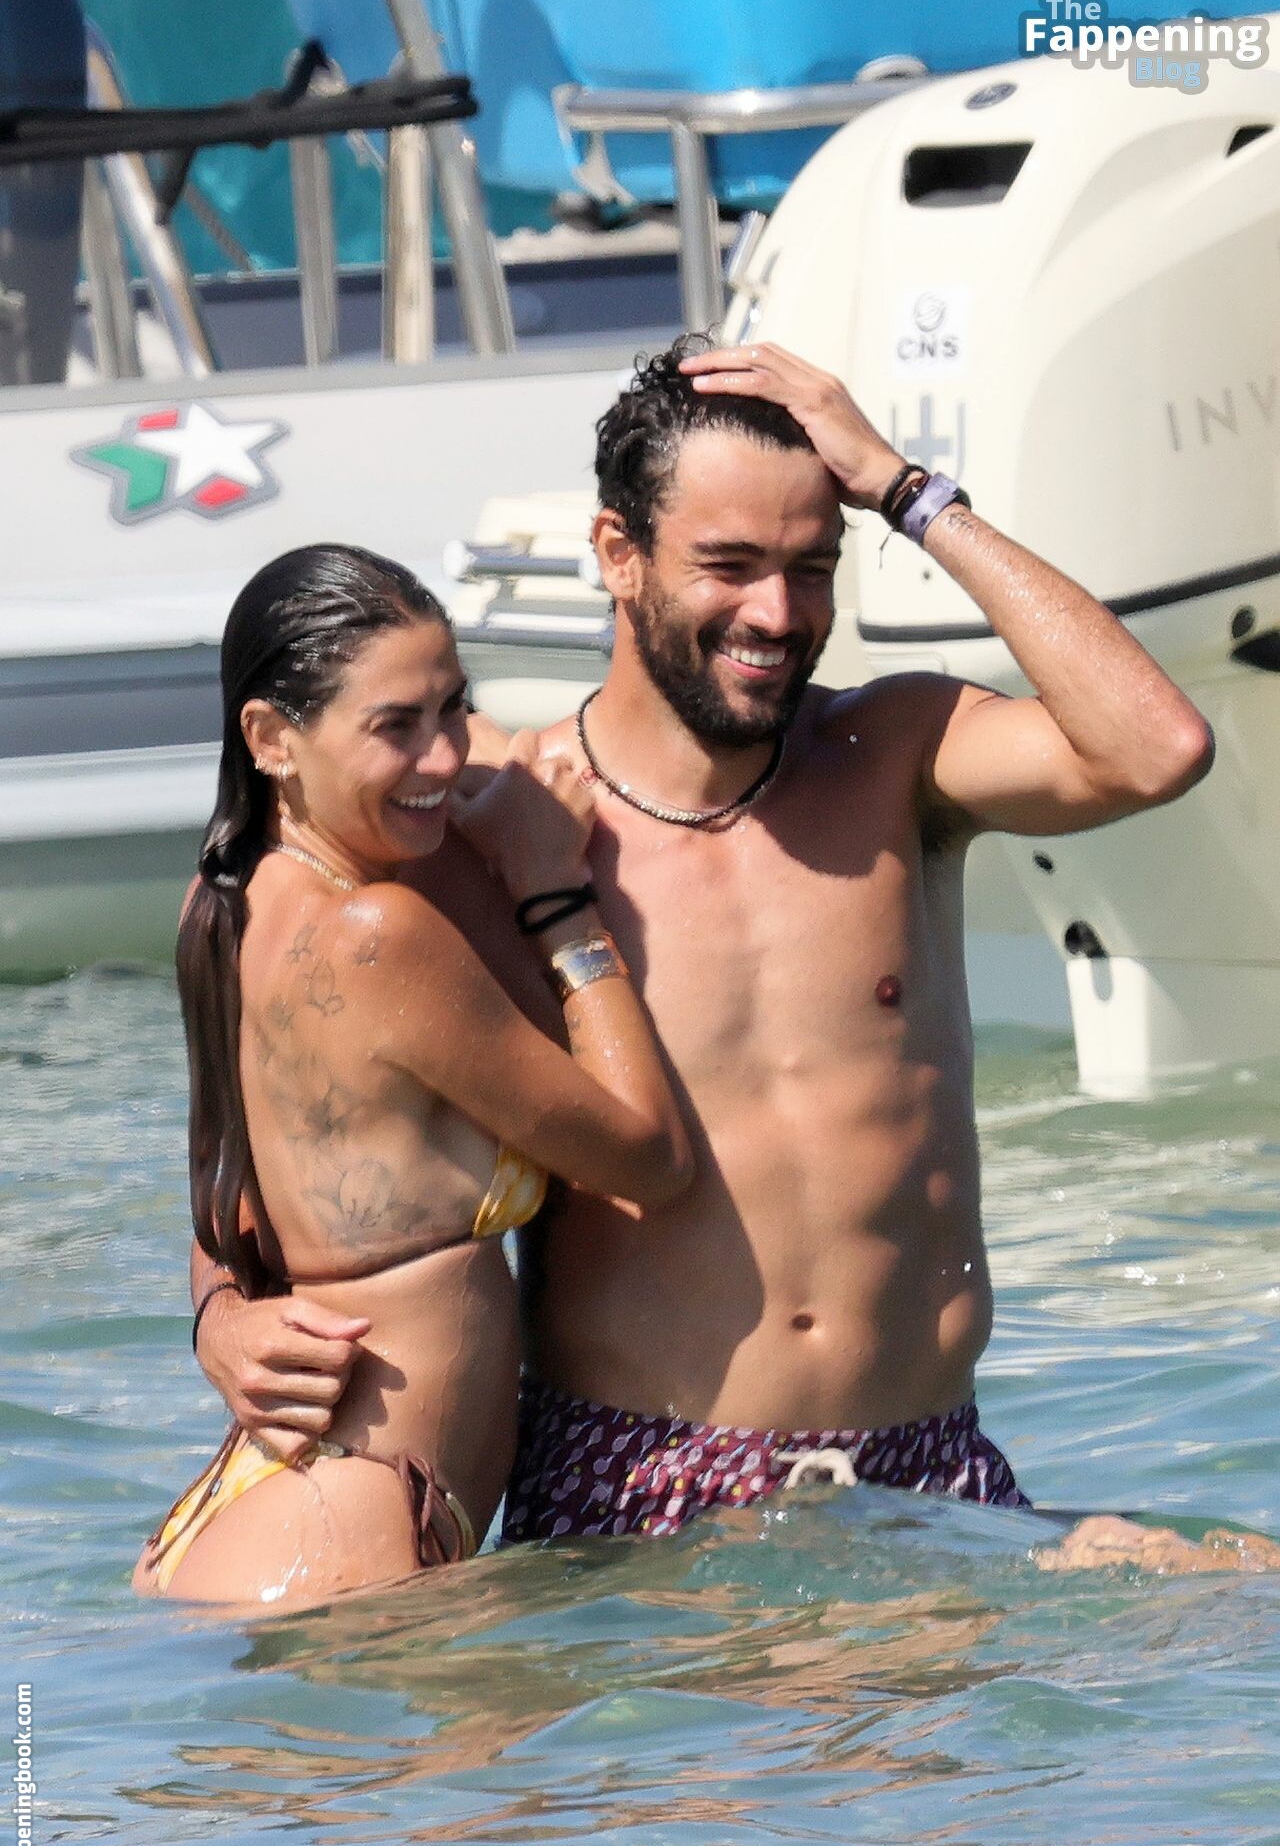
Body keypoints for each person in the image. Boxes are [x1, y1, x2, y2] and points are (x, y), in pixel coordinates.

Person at [194, 341, 1221, 1559]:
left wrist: (909, 494)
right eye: (728, 566)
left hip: (930, 1465)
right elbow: (279, 1105)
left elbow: (1152, 749)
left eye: (811, 568)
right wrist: (221, 1314)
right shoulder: (494, 825)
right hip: (644, 1490)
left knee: (1227, 1595)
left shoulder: (898, 758)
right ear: (617, 554)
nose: (776, 616)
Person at [134, 542, 690, 1608]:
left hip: (281, 1508)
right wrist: (557, 898)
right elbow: (650, 1157)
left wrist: (217, 1318)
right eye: (396, 726)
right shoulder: (378, 933)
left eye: (454, 709)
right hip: (352, 1530)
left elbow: (224, 1203)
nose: (442, 757)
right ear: (271, 739)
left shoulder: (223, 905)